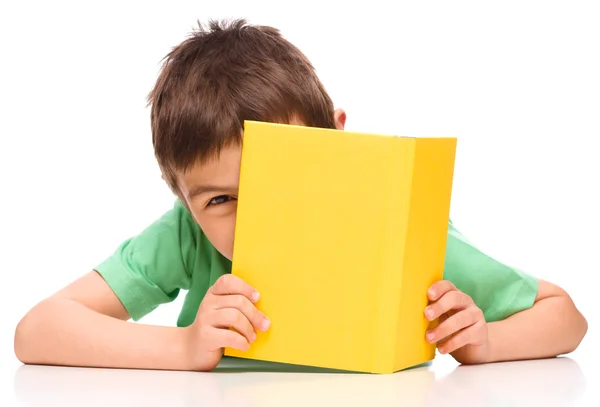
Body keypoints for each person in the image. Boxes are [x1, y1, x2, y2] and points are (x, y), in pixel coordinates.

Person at [14, 19, 587, 372]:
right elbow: (37, 330)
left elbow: (565, 316)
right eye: (221, 200)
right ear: (184, 199)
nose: (258, 213)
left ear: (337, 140)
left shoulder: (394, 228)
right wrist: (184, 347)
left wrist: (486, 341)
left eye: (283, 177)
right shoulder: (188, 238)